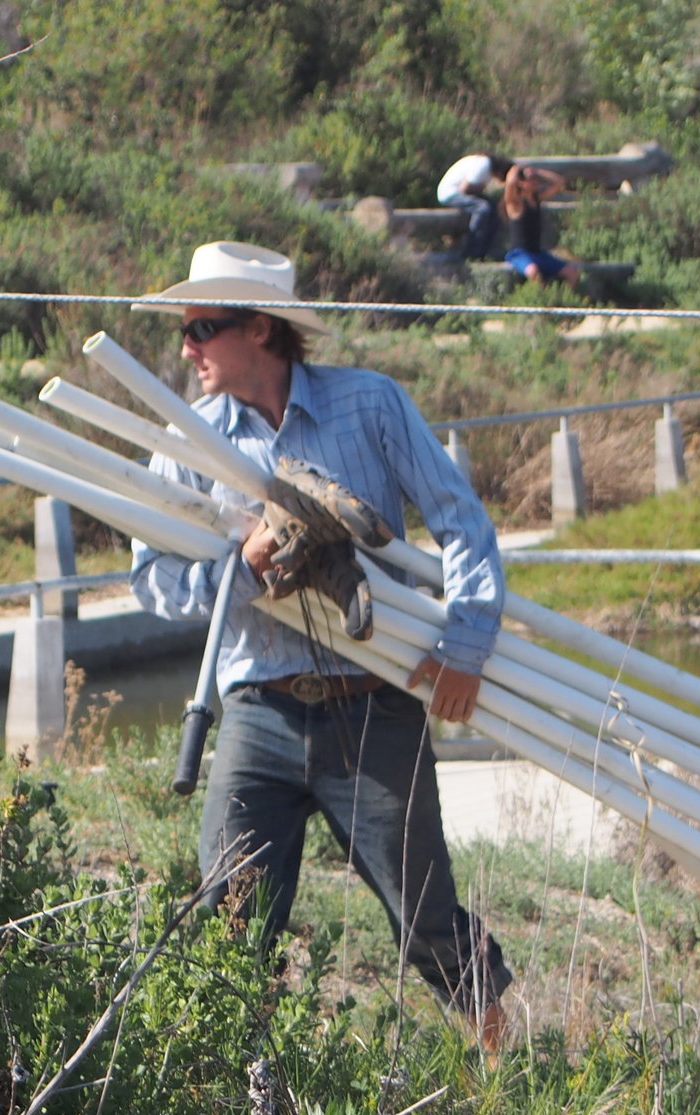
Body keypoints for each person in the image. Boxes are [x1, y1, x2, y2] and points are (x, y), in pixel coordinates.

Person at [129, 241, 512, 1050]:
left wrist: (466, 645)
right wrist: (241, 572)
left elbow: (462, 522)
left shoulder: (369, 406)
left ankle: (503, 1060)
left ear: (261, 328)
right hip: (258, 712)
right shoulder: (189, 441)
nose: (188, 346)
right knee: (228, 918)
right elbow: (150, 582)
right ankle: (228, 1088)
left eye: (203, 327)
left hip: (370, 704)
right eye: (186, 329)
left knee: (426, 917)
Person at [497, 163, 579, 287]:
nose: (535, 182)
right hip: (519, 253)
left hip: (537, 253)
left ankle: (563, 301)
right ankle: (541, 300)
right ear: (521, 183)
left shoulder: (536, 199)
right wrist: (517, 168)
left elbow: (559, 182)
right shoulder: (515, 203)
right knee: (533, 271)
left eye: (536, 179)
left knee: (572, 273)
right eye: (531, 179)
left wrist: (537, 171)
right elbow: (510, 182)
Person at [435, 151, 513, 261]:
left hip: (461, 193)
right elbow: (464, 189)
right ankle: (471, 249)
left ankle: (484, 249)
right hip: (450, 193)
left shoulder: (488, 170)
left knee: (495, 209)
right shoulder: (483, 166)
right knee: (483, 208)